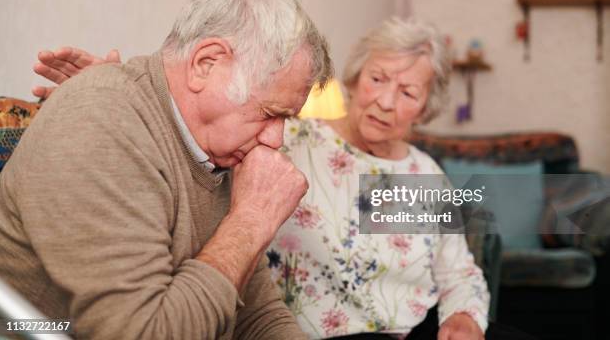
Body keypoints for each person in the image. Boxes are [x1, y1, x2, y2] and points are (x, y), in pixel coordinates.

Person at [32, 19, 536, 340]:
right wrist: (118, 91)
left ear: (427, 107)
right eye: (378, 79)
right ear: (355, 80)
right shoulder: (288, 139)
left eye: (407, 91)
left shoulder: (421, 176)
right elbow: (198, 125)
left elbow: (458, 271)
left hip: (420, 329)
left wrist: (464, 318)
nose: (386, 100)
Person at [0, 0, 332, 339]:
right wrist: (251, 221)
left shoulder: (216, 152)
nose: (276, 139)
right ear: (206, 64)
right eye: (270, 113)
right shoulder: (102, 117)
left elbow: (257, 315)